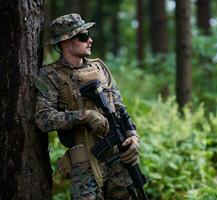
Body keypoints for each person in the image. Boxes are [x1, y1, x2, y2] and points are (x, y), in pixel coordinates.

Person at [34, 13, 140, 200]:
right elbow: (43, 118)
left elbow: (119, 108)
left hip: (119, 160)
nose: (90, 40)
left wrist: (133, 137)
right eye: (83, 36)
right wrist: (84, 116)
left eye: (88, 35)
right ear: (65, 42)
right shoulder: (50, 75)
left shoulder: (100, 68)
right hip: (85, 165)